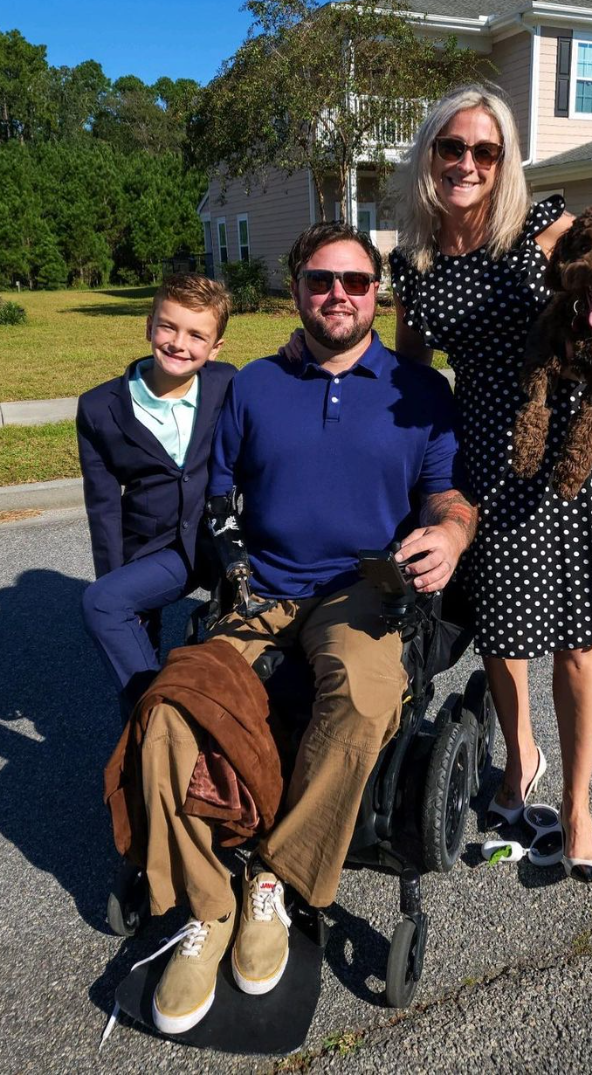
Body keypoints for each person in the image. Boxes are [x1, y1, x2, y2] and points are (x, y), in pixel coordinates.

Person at [123, 222, 477, 1035]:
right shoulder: (252, 385)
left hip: (361, 588)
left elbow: (446, 495)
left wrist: (451, 534)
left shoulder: (420, 392)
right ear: (296, 289)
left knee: (362, 689)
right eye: (322, 280)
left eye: (356, 282)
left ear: (376, 292)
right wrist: (229, 561)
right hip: (264, 586)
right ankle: (207, 905)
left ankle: (277, 881)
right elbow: (217, 495)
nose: (339, 295)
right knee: (170, 701)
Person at [390, 84, 592, 882]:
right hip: (482, 463)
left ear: (504, 163)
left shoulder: (543, 229)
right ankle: (520, 756)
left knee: (575, 639)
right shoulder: (415, 263)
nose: (466, 163)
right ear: (429, 155)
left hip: (563, 458)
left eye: (485, 150)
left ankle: (576, 807)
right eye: (452, 148)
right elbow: (406, 376)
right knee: (503, 633)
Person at [77, 274, 236, 717]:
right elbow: (104, 506)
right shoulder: (98, 408)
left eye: (196, 335)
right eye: (168, 327)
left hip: (218, 537)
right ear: (148, 326)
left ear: (216, 347)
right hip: (155, 548)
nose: (179, 343)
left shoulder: (225, 384)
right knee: (106, 605)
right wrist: (114, 581)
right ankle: (156, 725)